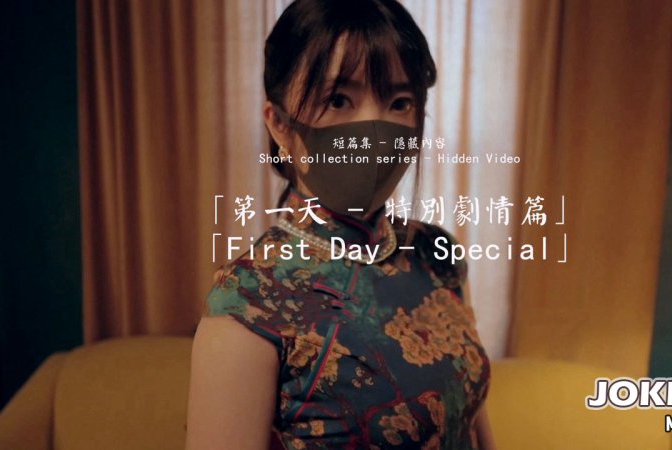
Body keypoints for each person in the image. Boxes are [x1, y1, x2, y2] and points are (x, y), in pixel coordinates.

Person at [186, 1, 495, 448]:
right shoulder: (250, 301)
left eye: (399, 102)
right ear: (279, 124)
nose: (374, 129)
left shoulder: (436, 253)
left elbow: (470, 418)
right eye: (337, 100)